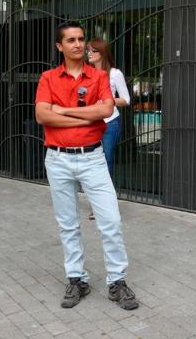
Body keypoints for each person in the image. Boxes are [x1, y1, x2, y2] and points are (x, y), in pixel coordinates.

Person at [34, 21, 139, 311]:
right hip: (57, 159)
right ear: (60, 46)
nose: (78, 44)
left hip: (93, 158)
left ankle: (117, 281)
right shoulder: (48, 78)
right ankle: (77, 279)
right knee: (68, 224)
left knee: (111, 221)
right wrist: (84, 115)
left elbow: (106, 110)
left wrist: (64, 110)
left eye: (81, 39)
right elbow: (42, 116)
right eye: (71, 40)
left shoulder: (100, 76)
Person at [86, 38, 130, 220]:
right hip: (91, 123)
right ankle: (97, 203)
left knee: (105, 163)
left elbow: (126, 100)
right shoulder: (86, 73)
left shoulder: (114, 73)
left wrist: (107, 100)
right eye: (87, 50)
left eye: (92, 51)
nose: (88, 53)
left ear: (101, 53)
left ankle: (104, 206)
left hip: (110, 123)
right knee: (92, 164)